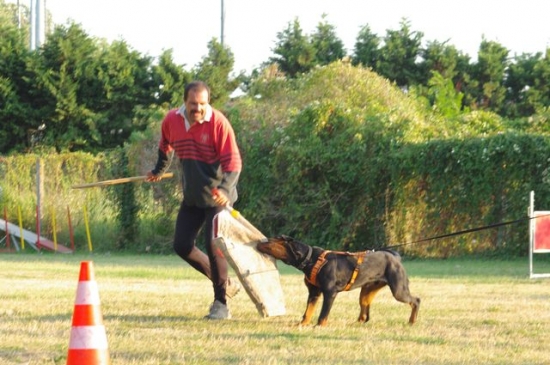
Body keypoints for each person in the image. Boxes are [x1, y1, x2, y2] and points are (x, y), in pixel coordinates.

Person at [146, 80, 242, 320]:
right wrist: (158, 170)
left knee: (213, 245)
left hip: (218, 198)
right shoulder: (171, 120)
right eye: (193, 104)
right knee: (181, 245)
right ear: (184, 102)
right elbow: (165, 146)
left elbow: (234, 163)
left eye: (202, 104)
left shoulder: (218, 123)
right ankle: (225, 284)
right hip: (192, 197)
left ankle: (221, 304)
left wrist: (224, 189)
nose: (198, 109)